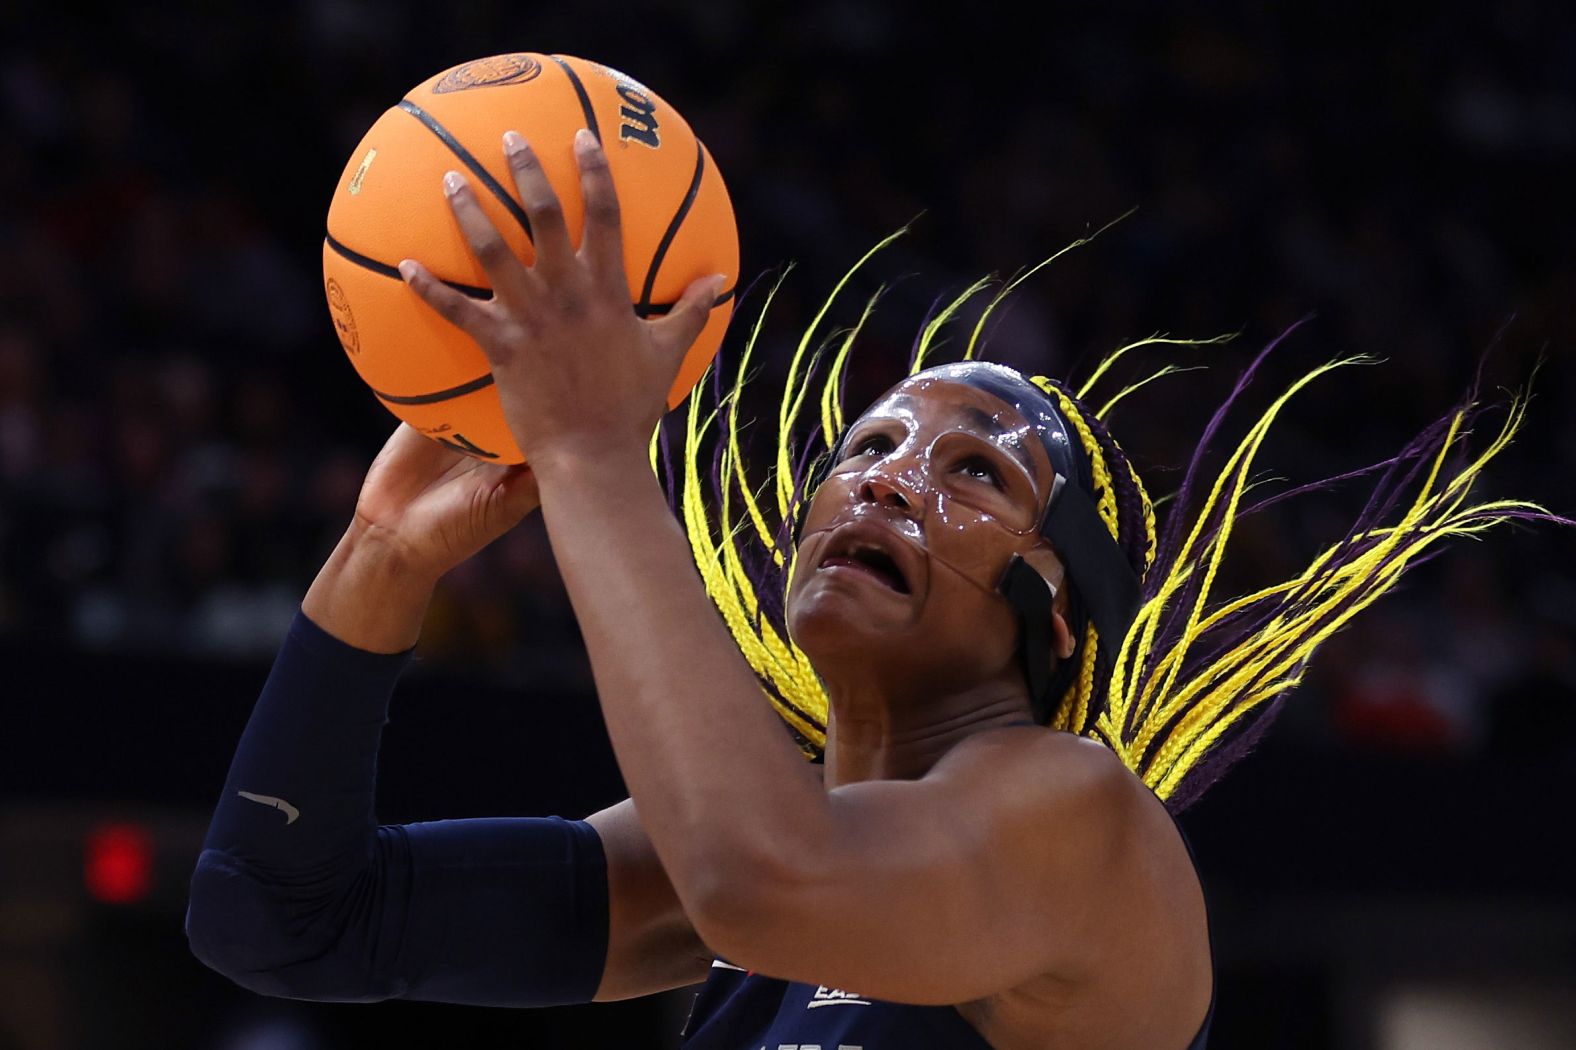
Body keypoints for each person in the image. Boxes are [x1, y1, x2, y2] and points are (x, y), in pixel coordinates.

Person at [185, 129, 1559, 1048]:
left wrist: (598, 451)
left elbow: (759, 873)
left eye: (980, 474)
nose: (889, 480)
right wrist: (385, 555)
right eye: (868, 448)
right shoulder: (744, 860)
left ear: (1056, 606)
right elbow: (279, 917)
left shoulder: (1078, 819)